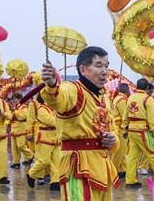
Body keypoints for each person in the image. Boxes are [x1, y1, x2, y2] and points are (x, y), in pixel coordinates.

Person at [40, 46, 119, 200]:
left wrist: (113, 138)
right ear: (83, 69)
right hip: (79, 167)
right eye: (98, 65)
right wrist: (51, 84)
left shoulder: (104, 97)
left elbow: (112, 128)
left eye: (106, 66)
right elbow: (58, 99)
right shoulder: (73, 89)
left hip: (102, 166)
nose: (104, 71)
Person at [121, 77, 154, 188]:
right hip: (144, 130)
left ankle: (130, 181)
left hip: (132, 130)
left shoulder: (130, 98)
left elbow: (125, 115)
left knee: (133, 156)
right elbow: (152, 118)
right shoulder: (148, 99)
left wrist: (124, 128)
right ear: (147, 87)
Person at [26, 94, 61, 191]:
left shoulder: (54, 108)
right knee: (44, 161)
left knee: (57, 161)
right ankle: (31, 174)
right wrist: (28, 132)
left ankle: (55, 182)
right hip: (44, 137)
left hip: (56, 137)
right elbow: (51, 121)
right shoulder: (41, 109)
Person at [9, 93, 34, 169]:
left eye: (15, 99)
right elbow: (11, 118)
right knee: (14, 148)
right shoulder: (14, 107)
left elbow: (23, 117)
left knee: (21, 146)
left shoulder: (23, 107)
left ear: (19, 99)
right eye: (13, 99)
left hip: (21, 129)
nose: (14, 101)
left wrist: (15, 112)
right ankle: (16, 162)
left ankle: (31, 155)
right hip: (13, 129)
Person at [112, 83, 131, 179]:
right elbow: (125, 115)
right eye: (129, 90)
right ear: (126, 90)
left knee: (123, 151)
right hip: (120, 128)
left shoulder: (117, 98)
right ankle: (113, 171)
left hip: (120, 127)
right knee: (119, 152)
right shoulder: (122, 100)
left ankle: (123, 170)